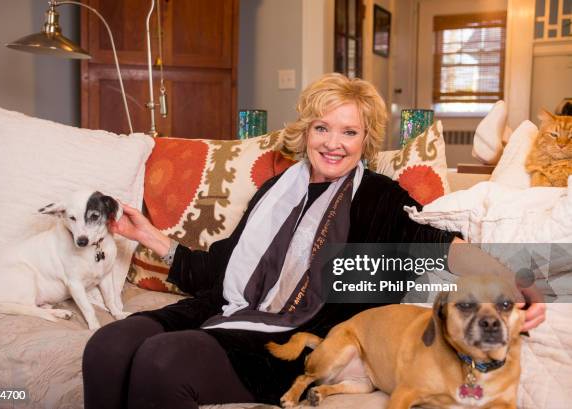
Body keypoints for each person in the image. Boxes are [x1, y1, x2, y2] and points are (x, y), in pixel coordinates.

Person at [82, 73, 546, 409]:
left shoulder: (379, 198)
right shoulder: (274, 191)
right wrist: (150, 237)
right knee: (107, 346)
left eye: (350, 131)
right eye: (323, 128)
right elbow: (222, 269)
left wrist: (516, 285)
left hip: (293, 337)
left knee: (161, 361)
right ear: (307, 132)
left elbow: (442, 245)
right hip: (229, 308)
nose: (334, 143)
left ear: (366, 140)